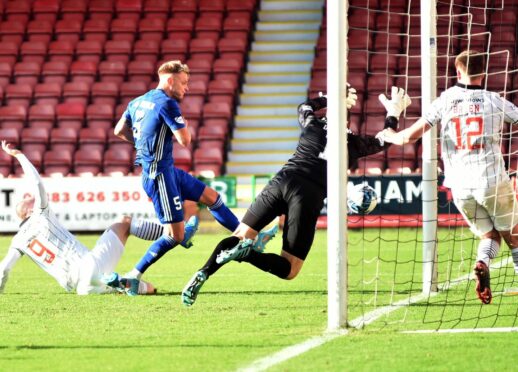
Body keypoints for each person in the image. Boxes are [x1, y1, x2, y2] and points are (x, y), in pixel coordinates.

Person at [181, 86, 408, 306]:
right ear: (348, 122)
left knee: (241, 233)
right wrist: (393, 114)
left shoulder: (313, 125)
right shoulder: (354, 143)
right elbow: (385, 140)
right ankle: (247, 254)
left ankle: (204, 272)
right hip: (309, 195)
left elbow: (304, 106)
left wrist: (328, 99)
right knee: (290, 269)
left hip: (282, 181)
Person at [376, 50, 518, 304]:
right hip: (492, 180)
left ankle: (482, 262)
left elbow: (409, 137)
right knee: (514, 234)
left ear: (457, 70)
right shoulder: (493, 100)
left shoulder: (446, 100)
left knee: (489, 235)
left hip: (460, 187)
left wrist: (389, 132)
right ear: (483, 72)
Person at [110, 60, 240, 293]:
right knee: (177, 235)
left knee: (211, 196)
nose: (186, 88)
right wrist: (184, 126)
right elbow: (185, 140)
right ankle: (134, 275)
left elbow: (119, 130)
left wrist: (141, 144)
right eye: (184, 82)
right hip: (159, 175)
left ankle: (243, 235)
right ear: (170, 80)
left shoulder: (137, 102)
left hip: (166, 170)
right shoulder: (168, 104)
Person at [0, 141, 164, 296]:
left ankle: (118, 282)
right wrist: (19, 155)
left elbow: (4, 269)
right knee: (125, 223)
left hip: (81, 288)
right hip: (88, 264)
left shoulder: (18, 241)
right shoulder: (39, 214)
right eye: (30, 200)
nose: (33, 199)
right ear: (28, 210)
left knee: (145, 288)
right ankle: (170, 234)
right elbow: (37, 184)